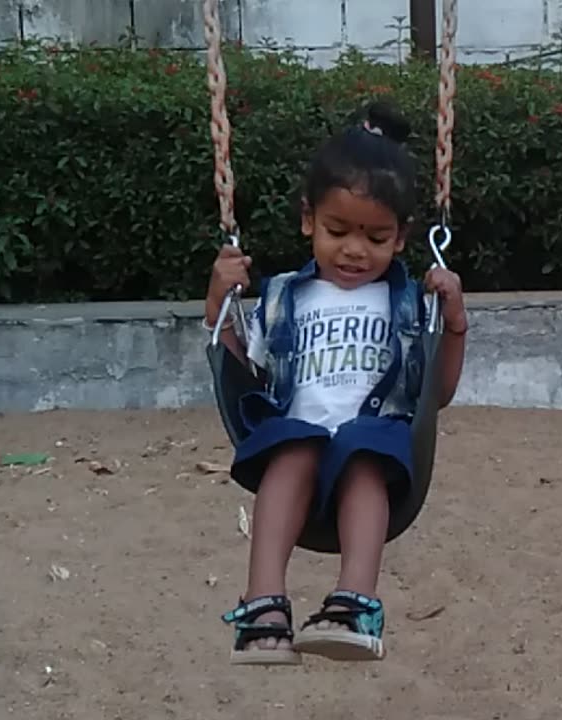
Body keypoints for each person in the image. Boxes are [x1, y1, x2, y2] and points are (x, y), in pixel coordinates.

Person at [202, 101, 467, 665]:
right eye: (337, 230)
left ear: (401, 238)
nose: (353, 249)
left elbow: (435, 395)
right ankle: (264, 604)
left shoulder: (405, 304)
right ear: (308, 221)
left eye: (375, 237)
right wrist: (217, 305)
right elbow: (240, 368)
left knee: (365, 451)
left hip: (375, 440)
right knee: (292, 446)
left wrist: (454, 324)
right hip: (299, 435)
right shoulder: (282, 298)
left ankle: (355, 604)